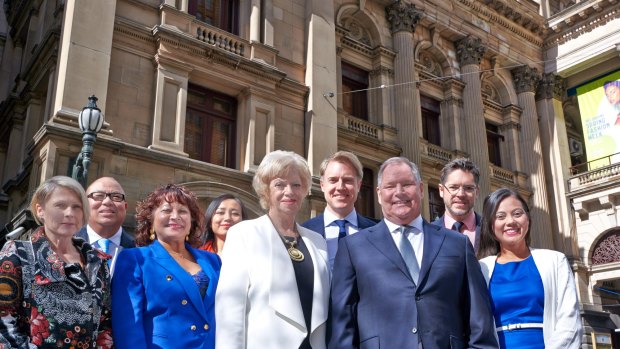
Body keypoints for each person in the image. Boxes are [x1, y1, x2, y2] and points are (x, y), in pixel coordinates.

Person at [330, 157, 498, 349]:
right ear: (378, 194)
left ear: (420, 189)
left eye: (407, 184)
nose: (399, 193)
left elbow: (479, 321)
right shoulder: (353, 247)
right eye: (390, 186)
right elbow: (342, 326)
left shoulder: (457, 244)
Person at [215, 150, 330, 349]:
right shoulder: (244, 234)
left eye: (296, 185)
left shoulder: (317, 241)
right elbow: (230, 311)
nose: (289, 192)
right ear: (266, 191)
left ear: (304, 190)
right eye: (280, 184)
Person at [0, 176, 113, 348]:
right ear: (40, 210)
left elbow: (104, 327)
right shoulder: (17, 253)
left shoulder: (97, 261)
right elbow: (3, 324)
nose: (70, 213)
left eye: (77, 207)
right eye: (60, 205)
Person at [112, 184, 221, 349]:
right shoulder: (135, 259)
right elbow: (128, 327)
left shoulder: (213, 261)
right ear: (151, 220)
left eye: (183, 211)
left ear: (191, 222)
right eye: (166, 210)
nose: (175, 216)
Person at [478, 188, 582, 349]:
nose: (510, 221)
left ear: (528, 219)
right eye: (500, 216)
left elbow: (569, 319)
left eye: (517, 213)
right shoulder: (481, 268)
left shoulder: (555, 261)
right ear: (491, 225)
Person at [302, 151, 377, 270]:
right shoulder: (303, 233)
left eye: (347, 180)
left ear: (359, 185)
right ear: (322, 185)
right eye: (333, 180)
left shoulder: (378, 231)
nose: (340, 187)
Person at [76, 177, 135, 276]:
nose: (107, 202)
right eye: (98, 196)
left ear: (125, 207)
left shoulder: (140, 250)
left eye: (116, 197)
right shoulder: (65, 245)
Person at [432, 157, 482, 252]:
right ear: (441, 190)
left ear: (477, 192)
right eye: (454, 187)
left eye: (468, 188)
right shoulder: (427, 235)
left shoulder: (492, 230)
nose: (461, 194)